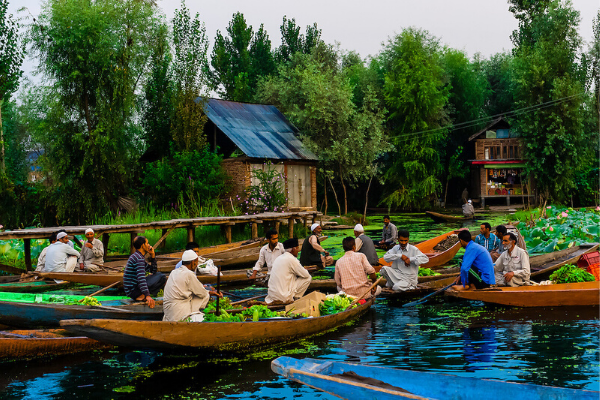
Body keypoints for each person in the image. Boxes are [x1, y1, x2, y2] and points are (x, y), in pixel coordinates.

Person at [163, 250, 222, 322]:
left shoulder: (173, 272)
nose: (197, 265)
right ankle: (193, 313)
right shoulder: (189, 274)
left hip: (168, 312)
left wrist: (210, 291)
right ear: (193, 262)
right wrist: (211, 292)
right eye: (196, 262)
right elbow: (202, 292)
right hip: (178, 313)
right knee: (204, 296)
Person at [123, 236, 167, 308]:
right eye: (147, 243)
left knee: (159, 275)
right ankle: (141, 296)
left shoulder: (137, 256)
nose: (149, 245)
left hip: (132, 289)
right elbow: (141, 278)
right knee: (162, 277)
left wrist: (153, 256)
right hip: (133, 290)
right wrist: (147, 296)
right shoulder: (138, 258)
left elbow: (153, 270)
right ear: (143, 245)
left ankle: (142, 295)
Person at [265, 238, 311, 304]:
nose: (298, 250)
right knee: (308, 278)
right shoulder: (291, 259)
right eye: (297, 248)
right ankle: (296, 298)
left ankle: (291, 296)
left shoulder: (279, 258)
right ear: (293, 249)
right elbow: (306, 275)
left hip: (272, 296)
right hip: (283, 297)